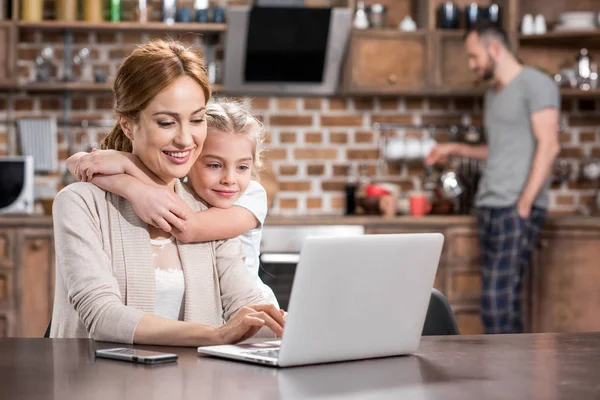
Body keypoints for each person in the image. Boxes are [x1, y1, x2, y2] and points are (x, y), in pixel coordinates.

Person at [50, 39, 284, 346]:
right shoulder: (80, 204)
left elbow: (247, 304)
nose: (185, 139)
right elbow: (101, 316)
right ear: (129, 125)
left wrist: (298, 327)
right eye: (166, 122)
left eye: (197, 120)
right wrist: (217, 334)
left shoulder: (210, 211)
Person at [67, 98, 279, 307]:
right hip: (211, 313)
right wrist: (129, 183)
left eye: (242, 167)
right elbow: (76, 162)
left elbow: (188, 227)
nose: (229, 179)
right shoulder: (183, 191)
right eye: (214, 165)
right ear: (190, 158)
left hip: (252, 312)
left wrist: (128, 171)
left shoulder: (251, 195)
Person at [425, 21, 560, 334]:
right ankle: (513, 378)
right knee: (503, 304)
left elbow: (549, 145)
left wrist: (524, 204)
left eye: (474, 57)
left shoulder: (536, 84)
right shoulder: (493, 94)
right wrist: (454, 147)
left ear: (495, 49)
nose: (472, 65)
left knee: (495, 303)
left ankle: (504, 380)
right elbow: (498, 150)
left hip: (515, 207)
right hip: (489, 206)